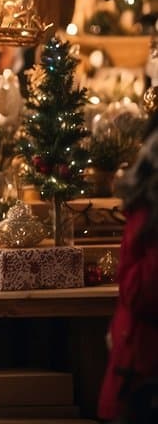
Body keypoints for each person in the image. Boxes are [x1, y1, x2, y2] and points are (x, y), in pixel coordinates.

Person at [100, 126, 158, 421]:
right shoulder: (146, 205)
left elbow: (143, 289)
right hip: (138, 364)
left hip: (142, 364)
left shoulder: (147, 204)